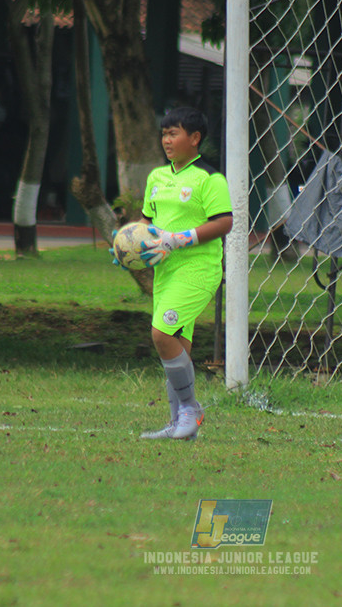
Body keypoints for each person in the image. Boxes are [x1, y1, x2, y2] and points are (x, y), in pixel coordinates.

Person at [111, 106, 233, 440]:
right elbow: (147, 225)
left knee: (161, 335)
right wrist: (128, 247)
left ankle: (192, 410)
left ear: (194, 138)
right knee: (177, 343)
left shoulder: (210, 179)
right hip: (165, 273)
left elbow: (225, 222)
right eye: (164, 133)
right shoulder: (157, 177)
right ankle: (179, 424)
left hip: (198, 270)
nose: (167, 140)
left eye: (173, 133)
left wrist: (178, 239)